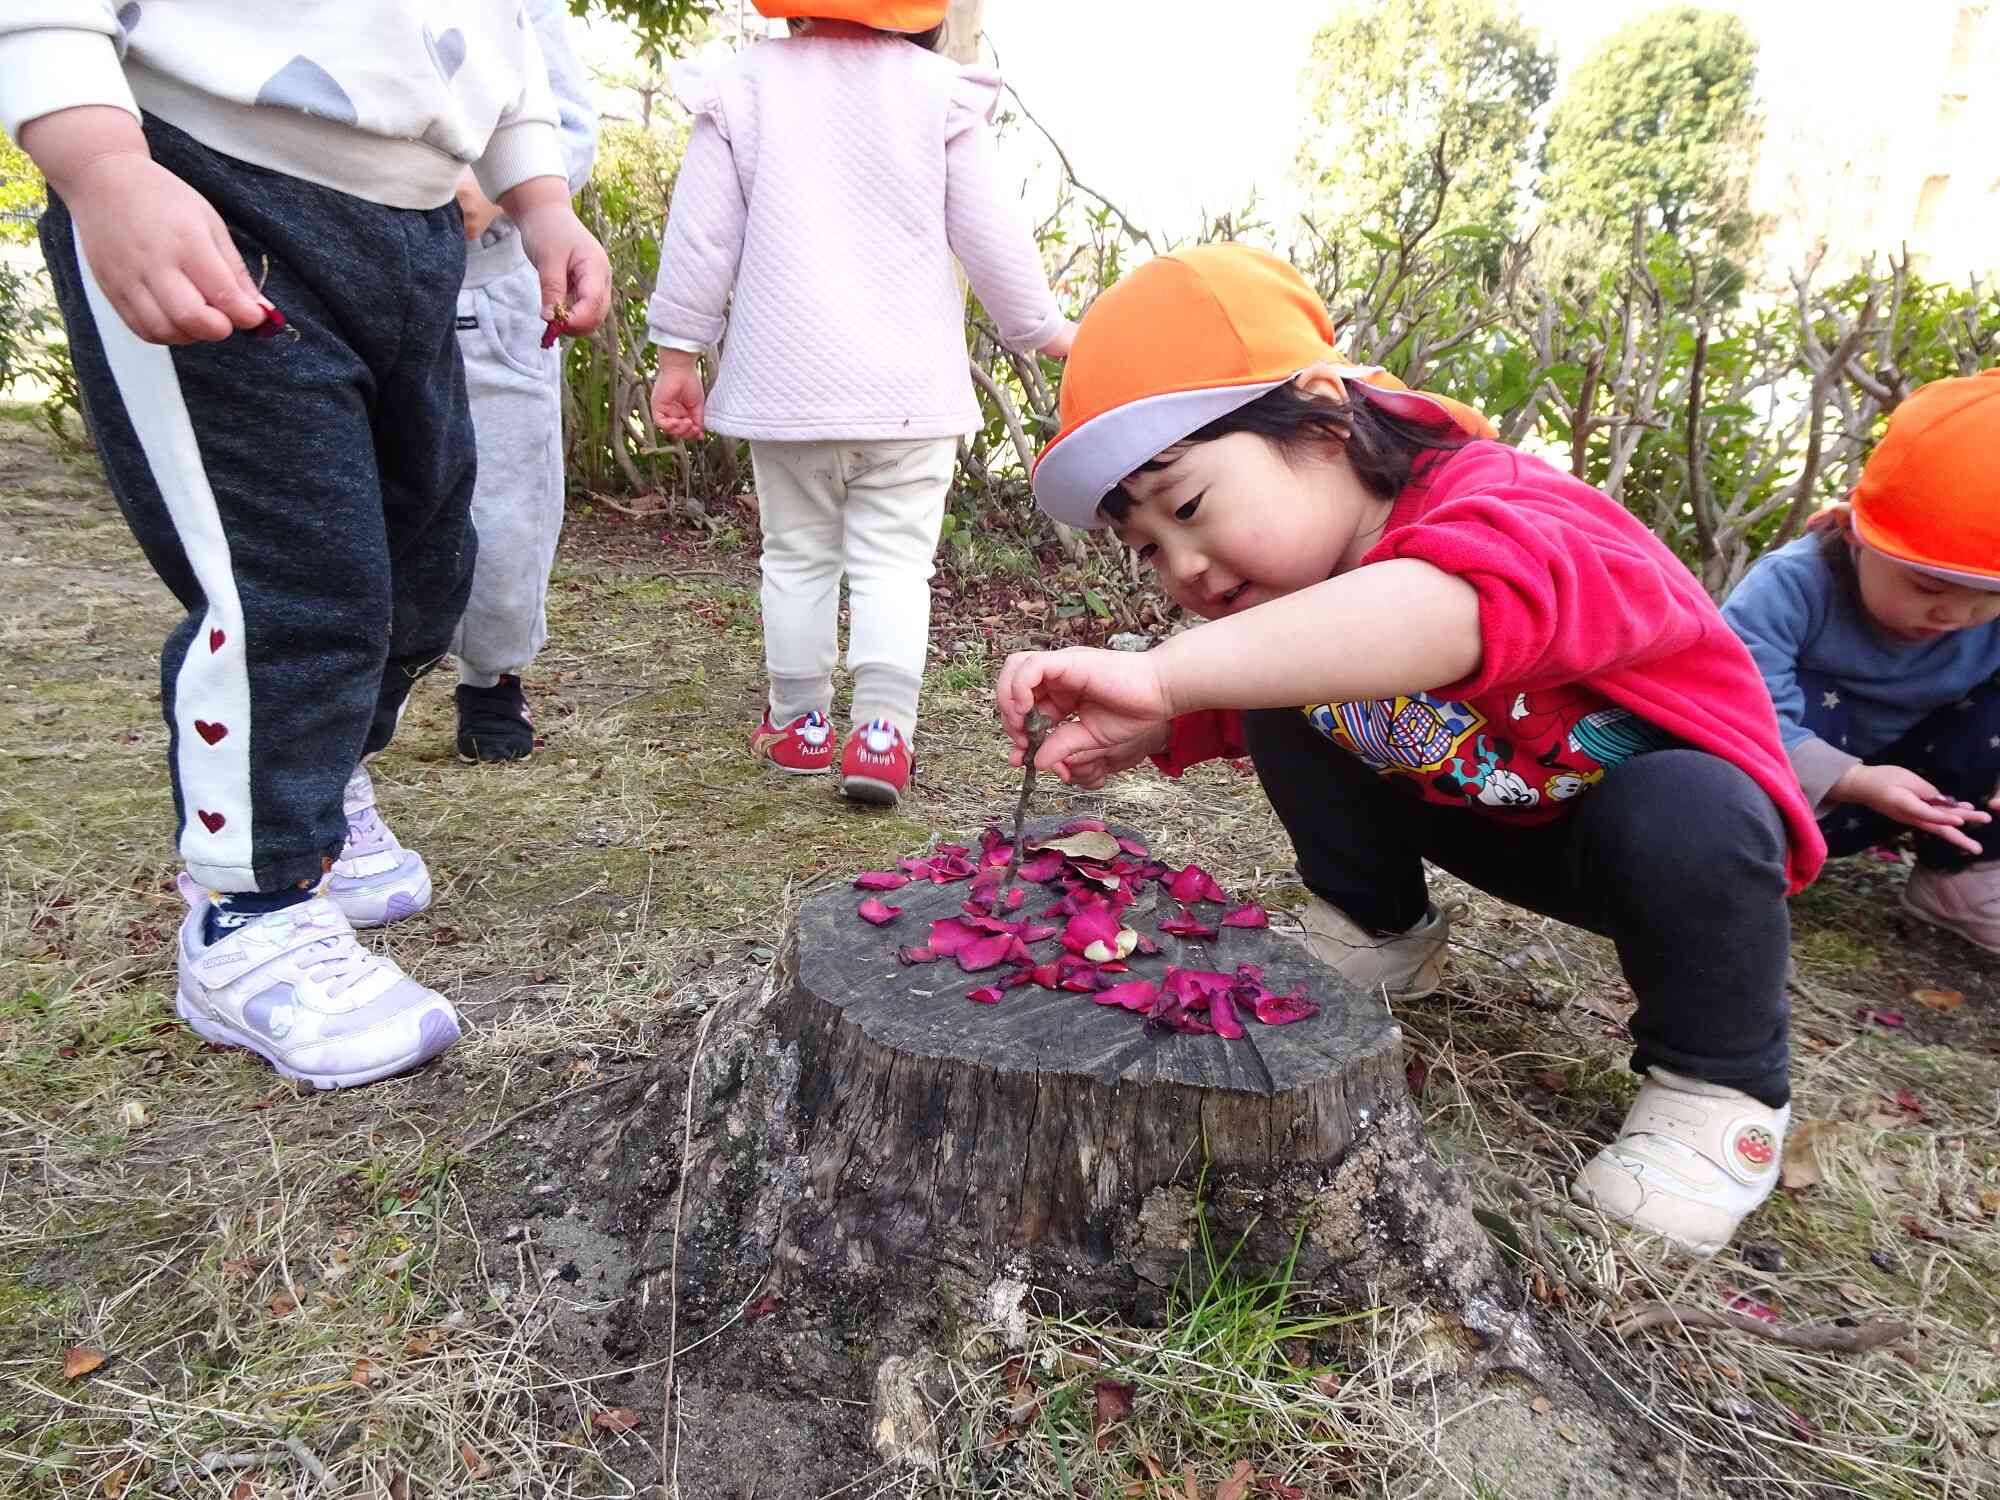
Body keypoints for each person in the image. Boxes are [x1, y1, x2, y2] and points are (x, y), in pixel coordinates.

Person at [996, 244, 1825, 1256]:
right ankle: (1378, 925)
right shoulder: (1293, 596)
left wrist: (1173, 671)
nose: (1187, 568)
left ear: (1321, 412)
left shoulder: (1504, 499)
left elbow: (1463, 605)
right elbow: (1279, 684)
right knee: (1273, 671)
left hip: (1659, 844)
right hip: (1481, 804)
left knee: (1686, 807)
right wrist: (1160, 721)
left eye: (1191, 509)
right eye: (1149, 550)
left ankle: (1718, 1088)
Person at [2, 0, 610, 1089]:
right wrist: (100, 167)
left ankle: (322, 789)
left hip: (419, 228)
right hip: (208, 190)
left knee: (426, 562)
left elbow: (510, 46)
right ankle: (250, 910)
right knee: (293, 579)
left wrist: (545, 200)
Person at [648, 0, 1073, 808]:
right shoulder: (939, 92)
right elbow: (993, 238)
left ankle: (801, 723)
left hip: (785, 387)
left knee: (798, 554)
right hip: (910, 395)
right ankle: (882, 734)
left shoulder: (742, 88)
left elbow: (700, 238)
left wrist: (678, 354)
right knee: (895, 565)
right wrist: (1043, 331)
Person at [1723, 370, 2000, 951]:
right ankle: (1737, 862)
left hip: (1923, 797)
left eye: (1989, 599)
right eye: (1929, 588)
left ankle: (1961, 879)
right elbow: (1728, 705)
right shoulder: (1795, 586)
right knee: (1739, 731)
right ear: (1853, 533)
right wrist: (1852, 779)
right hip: (1797, 787)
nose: (1955, 614)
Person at [448, 0, 599, 763]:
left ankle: (491, 675)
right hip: (327, 272)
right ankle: (347, 696)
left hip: (491, 289)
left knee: (506, 508)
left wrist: (495, 183)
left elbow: (567, 121)